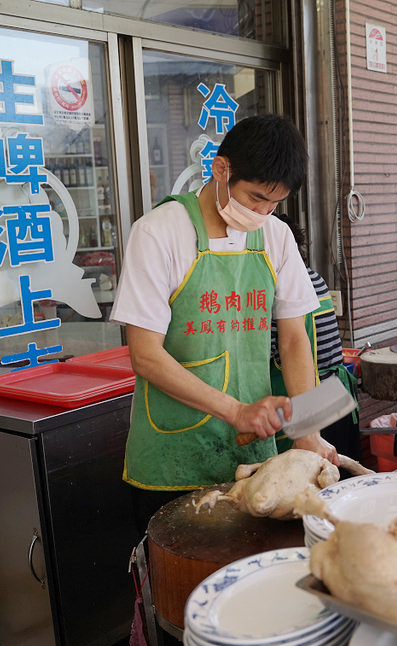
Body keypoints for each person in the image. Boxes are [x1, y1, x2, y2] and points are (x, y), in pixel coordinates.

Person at [110, 114, 338, 523]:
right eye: (255, 198)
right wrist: (235, 412)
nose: (263, 211)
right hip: (172, 455)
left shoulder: (276, 236)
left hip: (253, 456)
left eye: (275, 203)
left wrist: (307, 433)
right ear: (221, 168)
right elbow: (144, 355)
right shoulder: (158, 232)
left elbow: (294, 341)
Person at [269, 214, 361, 460]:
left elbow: (272, 353)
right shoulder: (314, 277)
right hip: (336, 393)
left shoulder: (279, 288)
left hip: (312, 402)